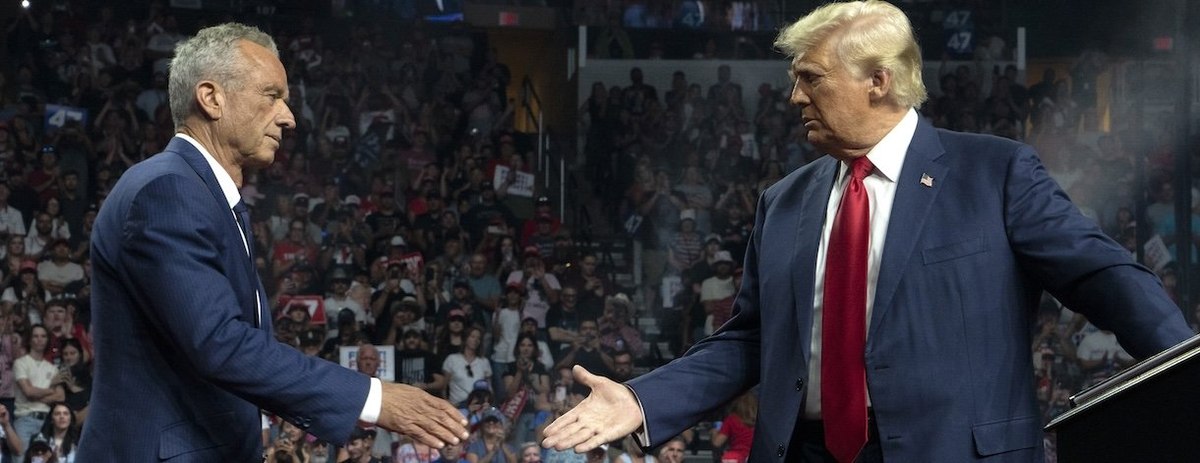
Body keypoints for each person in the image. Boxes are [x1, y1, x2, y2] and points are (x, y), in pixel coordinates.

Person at [541, 2, 1193, 462]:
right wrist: (642, 397)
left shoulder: (993, 172)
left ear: (879, 80)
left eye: (811, 78)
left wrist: (1184, 379)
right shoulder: (784, 201)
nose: (794, 97)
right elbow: (750, 342)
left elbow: (1104, 277)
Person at [79, 23, 468, 460]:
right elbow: (219, 342)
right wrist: (373, 399)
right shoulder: (168, 191)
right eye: (271, 95)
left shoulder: (204, 197)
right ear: (211, 98)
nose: (288, 117)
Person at [710, 392, 756, 463]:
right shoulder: (759, 421)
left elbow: (717, 442)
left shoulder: (731, 420)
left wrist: (714, 432)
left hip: (735, 456)